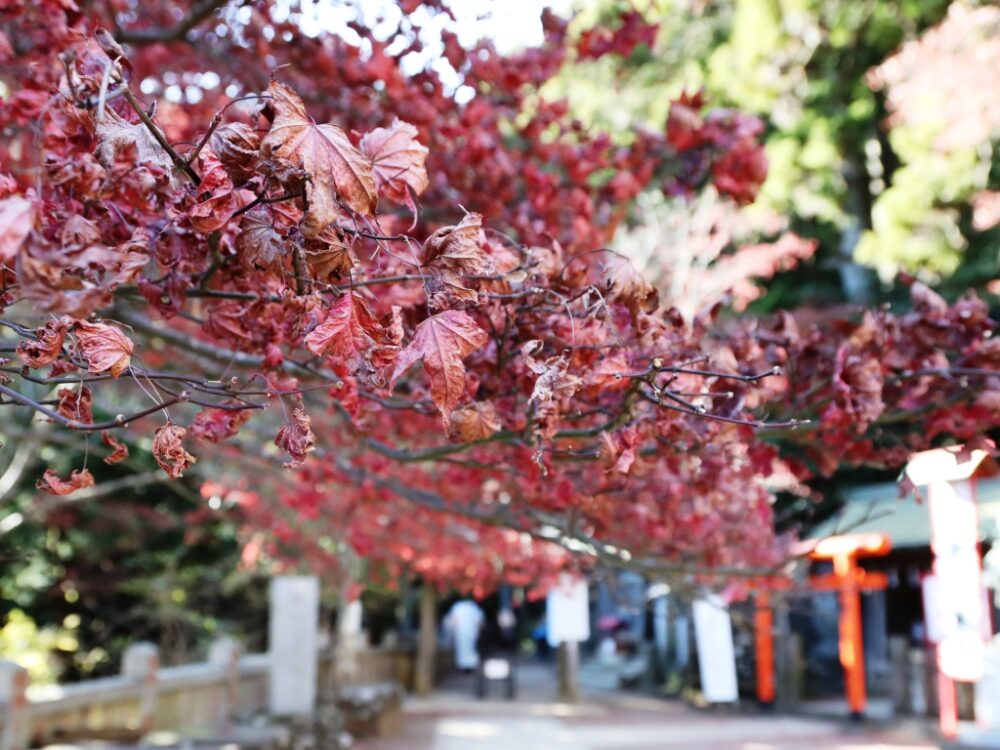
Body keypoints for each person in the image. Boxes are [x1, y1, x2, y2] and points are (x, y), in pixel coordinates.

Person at [445, 598, 484, 672]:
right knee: (470, 649)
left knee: (463, 650)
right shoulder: (472, 606)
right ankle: (469, 666)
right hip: (470, 631)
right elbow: (478, 620)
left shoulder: (457, 606)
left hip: (461, 632)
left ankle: (465, 667)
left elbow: (453, 620)